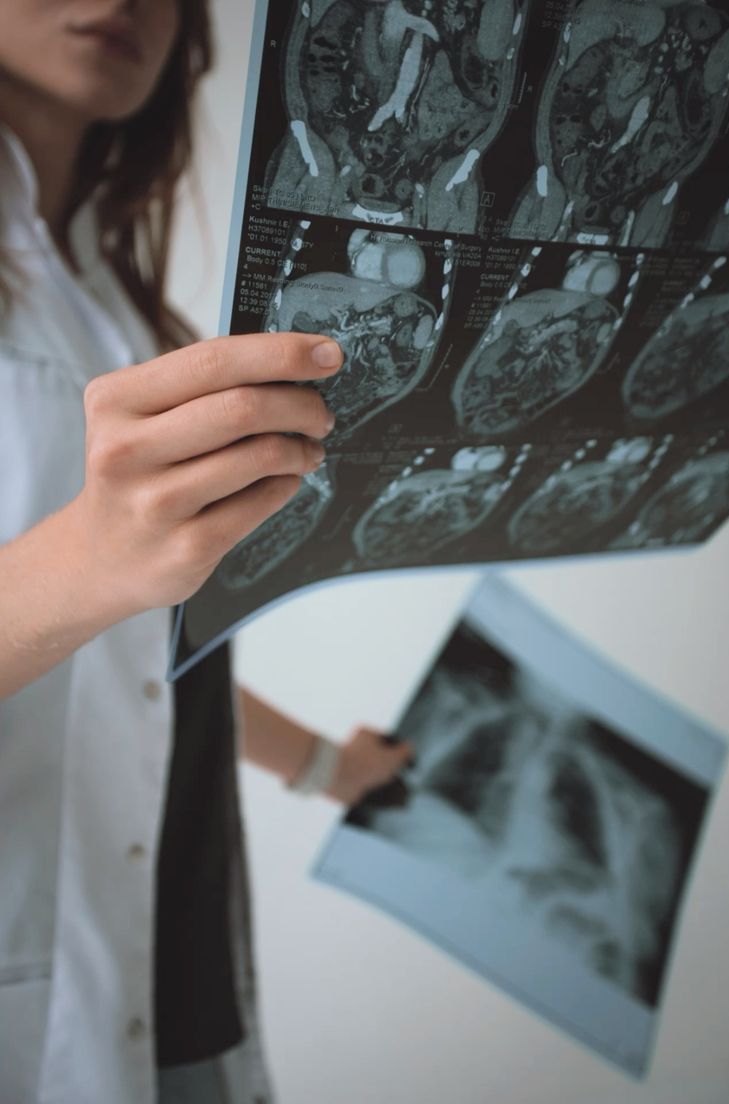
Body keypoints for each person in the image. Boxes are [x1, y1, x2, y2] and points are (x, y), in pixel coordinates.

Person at [0, 3, 413, 1102]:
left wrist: (324, 766)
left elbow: (139, 668)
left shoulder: (124, 315)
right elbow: (84, 591)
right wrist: (83, 559)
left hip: (166, 934)